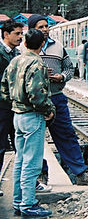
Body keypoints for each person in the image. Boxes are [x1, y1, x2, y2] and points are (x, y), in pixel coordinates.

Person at [28, 14, 88, 187]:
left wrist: (62, 77)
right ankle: (39, 174)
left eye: (46, 26)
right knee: (35, 140)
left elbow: (69, 67)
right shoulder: (25, 49)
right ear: (32, 29)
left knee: (67, 135)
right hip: (34, 101)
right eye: (41, 27)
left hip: (56, 97)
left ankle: (81, 172)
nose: (45, 29)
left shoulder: (58, 46)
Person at [1, 28, 55, 217]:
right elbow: (37, 95)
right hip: (32, 117)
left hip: (17, 116)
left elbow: (3, 88)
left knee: (20, 161)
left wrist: (14, 103)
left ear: (24, 42)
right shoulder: (37, 64)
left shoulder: (15, 60)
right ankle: (29, 203)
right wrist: (48, 111)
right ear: (42, 44)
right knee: (32, 163)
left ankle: (18, 201)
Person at [0, 19, 24, 197]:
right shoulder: (1, 53)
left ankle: (26, 182)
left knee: (20, 145)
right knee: (0, 146)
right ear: (6, 34)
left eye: (21, 33)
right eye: (17, 33)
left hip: (13, 106)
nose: (20, 37)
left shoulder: (16, 53)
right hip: (2, 107)